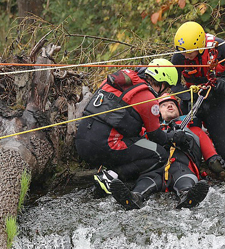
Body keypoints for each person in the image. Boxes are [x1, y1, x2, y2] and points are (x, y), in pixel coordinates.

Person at [75, 58, 192, 194]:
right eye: (167, 87)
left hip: (82, 142)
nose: (166, 92)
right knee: (159, 154)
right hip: (104, 145)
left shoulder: (117, 81)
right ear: (162, 82)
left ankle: (109, 175)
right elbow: (157, 136)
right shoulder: (148, 98)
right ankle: (111, 176)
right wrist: (173, 136)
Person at [109, 93, 225, 210]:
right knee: (145, 180)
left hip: (183, 167)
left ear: (179, 110)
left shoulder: (194, 129)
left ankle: (187, 195)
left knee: (184, 178)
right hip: (154, 169)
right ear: (157, 112)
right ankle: (135, 197)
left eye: (172, 104)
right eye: (164, 105)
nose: (169, 106)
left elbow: (209, 151)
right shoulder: (148, 131)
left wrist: (213, 159)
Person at [171, 21, 225, 172]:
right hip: (191, 103)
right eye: (183, 53)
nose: (185, 56)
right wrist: (186, 95)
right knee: (186, 149)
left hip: (215, 101)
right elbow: (174, 85)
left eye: (189, 53)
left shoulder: (218, 46)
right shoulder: (180, 55)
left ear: (200, 46)